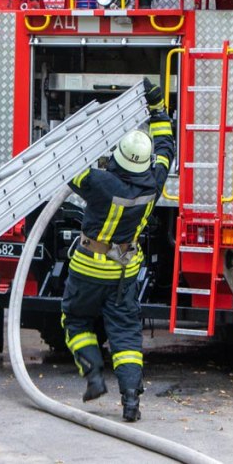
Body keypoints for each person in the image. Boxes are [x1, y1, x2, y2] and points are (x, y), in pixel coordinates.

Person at [61, 79, 175, 422]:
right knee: (125, 334)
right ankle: (130, 401)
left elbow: (68, 167)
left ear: (118, 157)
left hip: (87, 267)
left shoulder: (99, 182)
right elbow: (167, 146)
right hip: (125, 271)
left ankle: (93, 375)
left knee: (76, 319)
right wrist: (157, 109)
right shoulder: (154, 182)